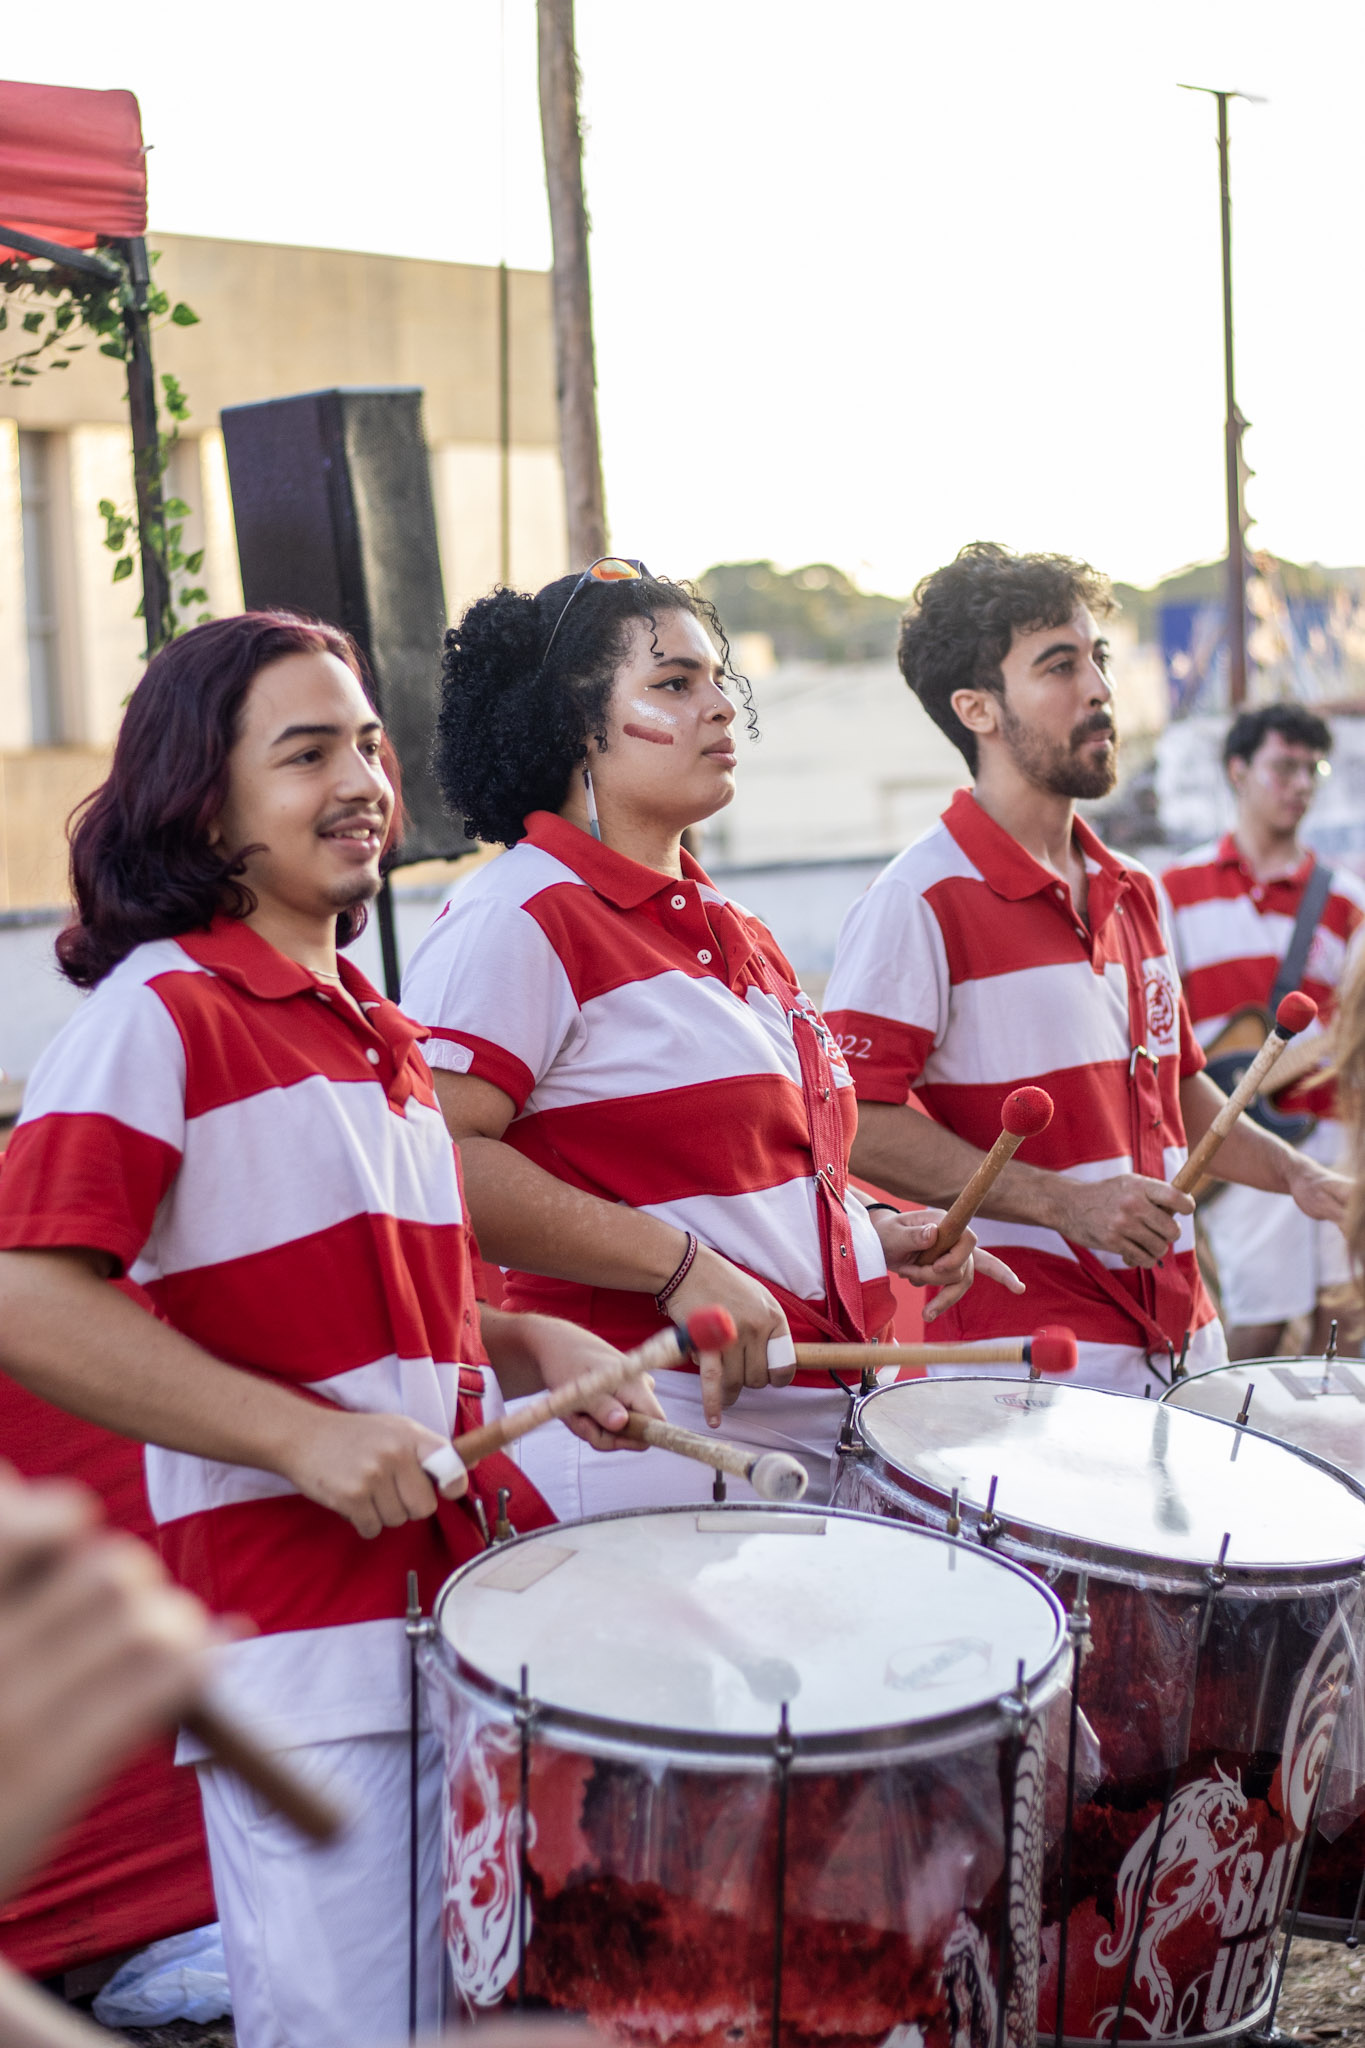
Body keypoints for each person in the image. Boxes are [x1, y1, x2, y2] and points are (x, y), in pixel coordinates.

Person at [0, 613, 661, 2048]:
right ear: (202, 795)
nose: (361, 777)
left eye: (366, 741)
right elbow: (27, 1296)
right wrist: (299, 1437)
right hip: (298, 1654)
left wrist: (526, 1345)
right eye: (306, 754)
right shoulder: (159, 1008)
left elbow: (361, 1306)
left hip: (453, 1629)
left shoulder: (371, 1019)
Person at [400, 559, 1018, 1513]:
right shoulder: (516, 914)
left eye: (716, 680)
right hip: (650, 1437)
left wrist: (867, 1234)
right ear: (574, 726)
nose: (721, 708)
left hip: (812, 1435)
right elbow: (430, 1158)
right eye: (673, 685)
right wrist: (680, 1269)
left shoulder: (730, 925)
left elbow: (734, 1174)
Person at [822, 542, 1351, 1393]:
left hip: (1183, 1339)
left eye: (1096, 658)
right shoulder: (917, 899)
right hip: (1031, 1366)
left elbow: (1181, 1091)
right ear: (977, 709)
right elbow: (851, 1120)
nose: (1099, 689)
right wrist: (1065, 1203)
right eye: (1059, 666)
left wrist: (1295, 1174)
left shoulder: (1133, 888)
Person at [1162, 705, 1365, 1360]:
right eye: (1283, 766)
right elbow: (1158, 1022)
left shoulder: (1346, 901)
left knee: (1348, 1323)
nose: (1300, 784)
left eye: (1312, 769)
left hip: (1333, 1133)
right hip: (1234, 1139)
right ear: (1237, 770)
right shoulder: (1173, 889)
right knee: (1257, 1324)